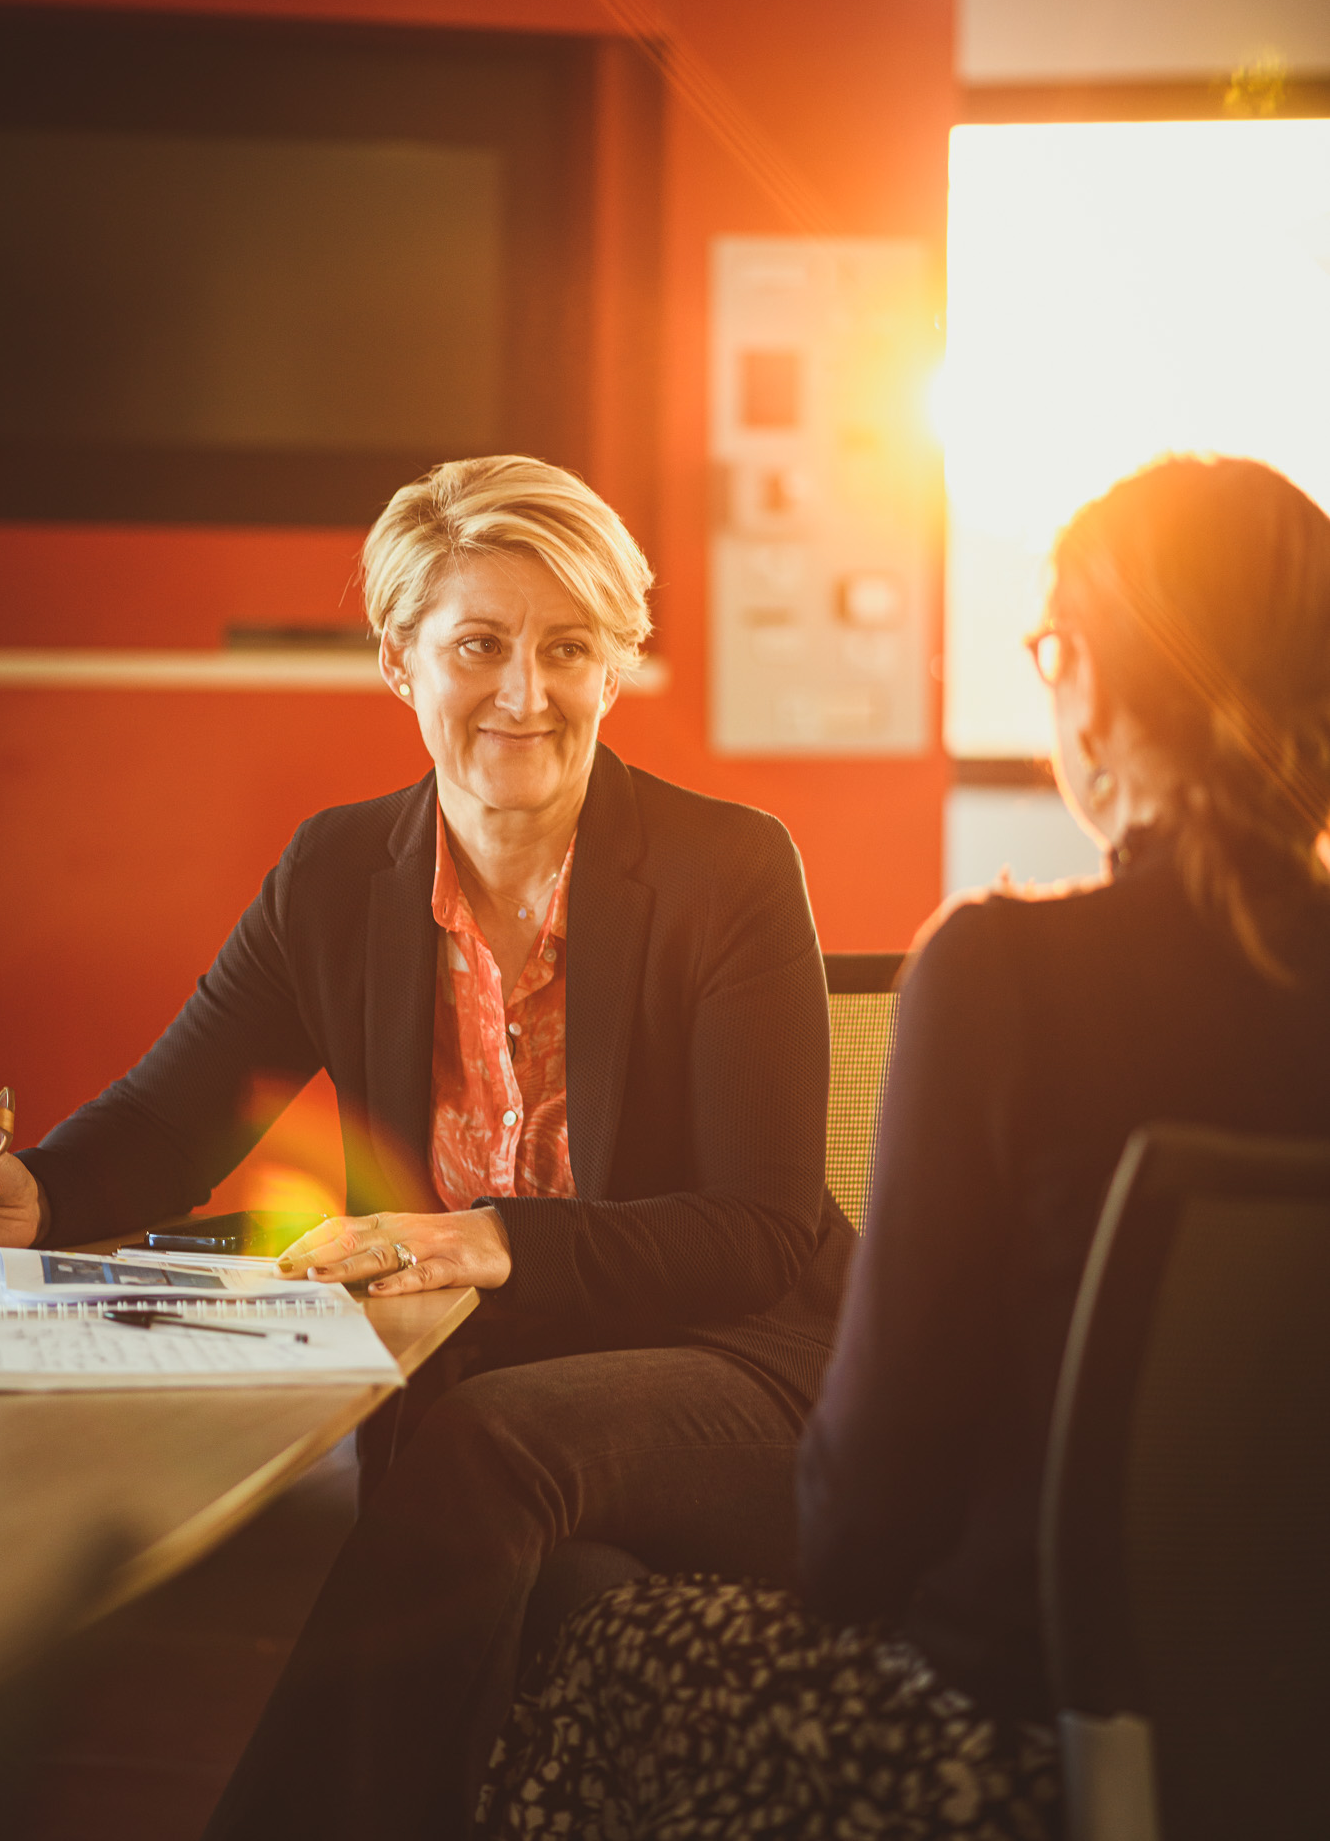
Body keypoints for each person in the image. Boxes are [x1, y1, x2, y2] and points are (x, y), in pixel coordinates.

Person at [0, 457, 848, 1839]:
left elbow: (755, 1230)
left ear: (616, 665)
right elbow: (169, 1117)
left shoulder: (725, 868)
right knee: (550, 1592)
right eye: (479, 645)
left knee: (485, 1447)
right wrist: (31, 1197)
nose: (524, 692)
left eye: (569, 649)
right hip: (514, 1411)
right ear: (398, 658)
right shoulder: (334, 876)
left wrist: (486, 1236)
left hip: (752, 1372)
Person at [476, 453, 1330, 1841]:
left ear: (1093, 689)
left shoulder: (1008, 975)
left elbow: (864, 1521)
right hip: (1299, 1730)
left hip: (1009, 1736)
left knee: (588, 1622)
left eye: (1049, 646)